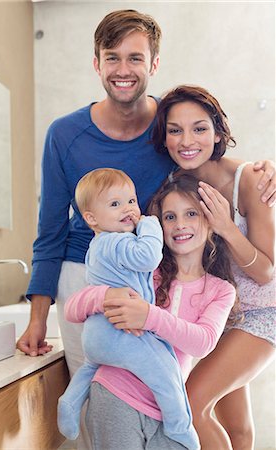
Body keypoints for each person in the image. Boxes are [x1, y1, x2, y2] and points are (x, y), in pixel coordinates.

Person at [16, 8, 275, 446]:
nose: (183, 139)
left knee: (183, 402)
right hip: (143, 289)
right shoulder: (76, 137)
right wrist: (37, 317)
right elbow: (50, 231)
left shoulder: (199, 152)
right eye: (112, 57)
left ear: (154, 64)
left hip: (217, 300)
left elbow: (264, 263)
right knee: (201, 416)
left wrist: (262, 172)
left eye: (135, 58)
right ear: (96, 63)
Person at [65, 172, 238, 450]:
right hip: (115, 393)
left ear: (209, 220)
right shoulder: (144, 270)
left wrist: (149, 316)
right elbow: (73, 308)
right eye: (170, 217)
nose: (180, 224)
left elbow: (202, 342)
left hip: (166, 409)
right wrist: (107, 295)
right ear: (158, 225)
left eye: (191, 213)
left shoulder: (221, 290)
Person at [149, 84, 275, 449]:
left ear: (218, 132)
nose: (187, 140)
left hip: (262, 313)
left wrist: (225, 227)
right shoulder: (177, 185)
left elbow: (266, 271)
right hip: (217, 313)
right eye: (175, 130)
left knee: (190, 401)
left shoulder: (250, 179)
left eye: (199, 128)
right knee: (237, 429)